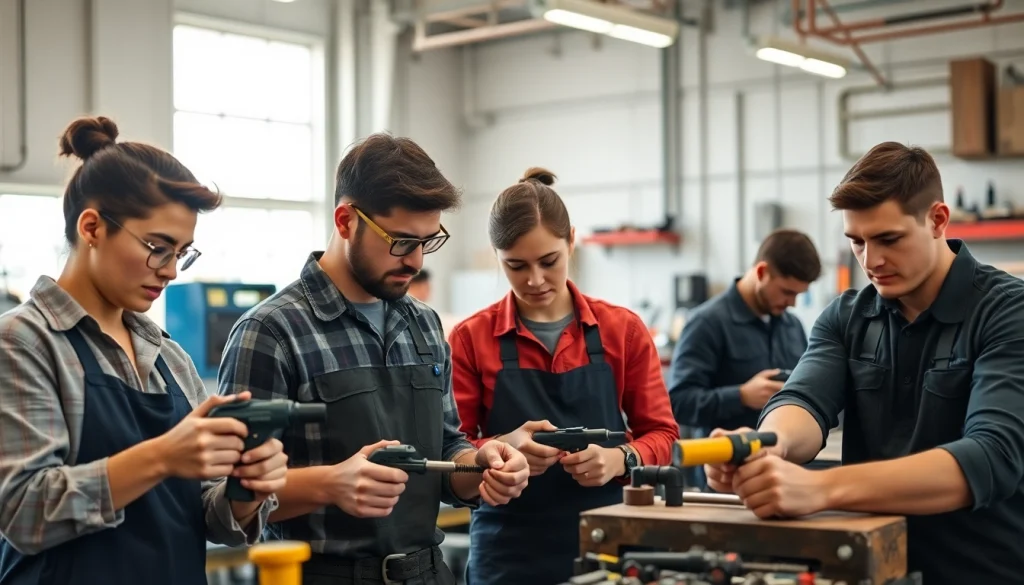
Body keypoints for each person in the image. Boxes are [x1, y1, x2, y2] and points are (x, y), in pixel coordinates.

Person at [217, 133, 530, 585]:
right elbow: (230, 500)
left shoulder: (424, 325)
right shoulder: (270, 333)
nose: (416, 261)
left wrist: (479, 468)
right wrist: (331, 484)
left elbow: (445, 451)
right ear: (346, 220)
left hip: (427, 573)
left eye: (428, 241)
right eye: (402, 242)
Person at [705, 142, 1024, 585]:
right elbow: (804, 400)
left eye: (889, 239)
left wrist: (820, 487)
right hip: (867, 570)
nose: (871, 261)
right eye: (857, 242)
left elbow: (992, 455)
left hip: (979, 572)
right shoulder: (846, 316)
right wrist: (762, 447)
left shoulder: (1007, 312)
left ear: (938, 220)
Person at [0, 116, 286, 585]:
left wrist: (246, 489)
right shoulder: (23, 342)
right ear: (92, 227)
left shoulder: (168, 356)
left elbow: (205, 513)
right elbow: (26, 512)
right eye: (158, 247)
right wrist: (162, 457)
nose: (172, 271)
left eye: (183, 253)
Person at [449, 167, 679, 585]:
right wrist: (501, 449)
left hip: (608, 545)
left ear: (571, 240)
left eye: (549, 261)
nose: (535, 280)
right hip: (508, 554)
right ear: (497, 256)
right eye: (516, 266)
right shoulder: (470, 339)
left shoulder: (622, 330)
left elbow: (663, 435)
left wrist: (619, 459)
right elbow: (452, 452)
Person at [667, 229, 821, 487]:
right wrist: (741, 396)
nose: (792, 303)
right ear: (761, 272)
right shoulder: (707, 324)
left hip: (782, 475)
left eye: (798, 294)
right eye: (786, 292)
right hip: (725, 480)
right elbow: (678, 402)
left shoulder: (792, 326)